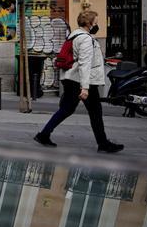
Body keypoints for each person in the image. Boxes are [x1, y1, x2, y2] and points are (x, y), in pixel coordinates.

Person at [34, 9, 124, 153]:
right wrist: (85, 87)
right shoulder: (86, 39)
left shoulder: (74, 35)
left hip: (73, 79)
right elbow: (85, 63)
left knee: (67, 109)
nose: (97, 24)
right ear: (89, 23)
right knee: (94, 111)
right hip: (81, 81)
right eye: (95, 21)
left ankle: (44, 134)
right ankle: (103, 144)